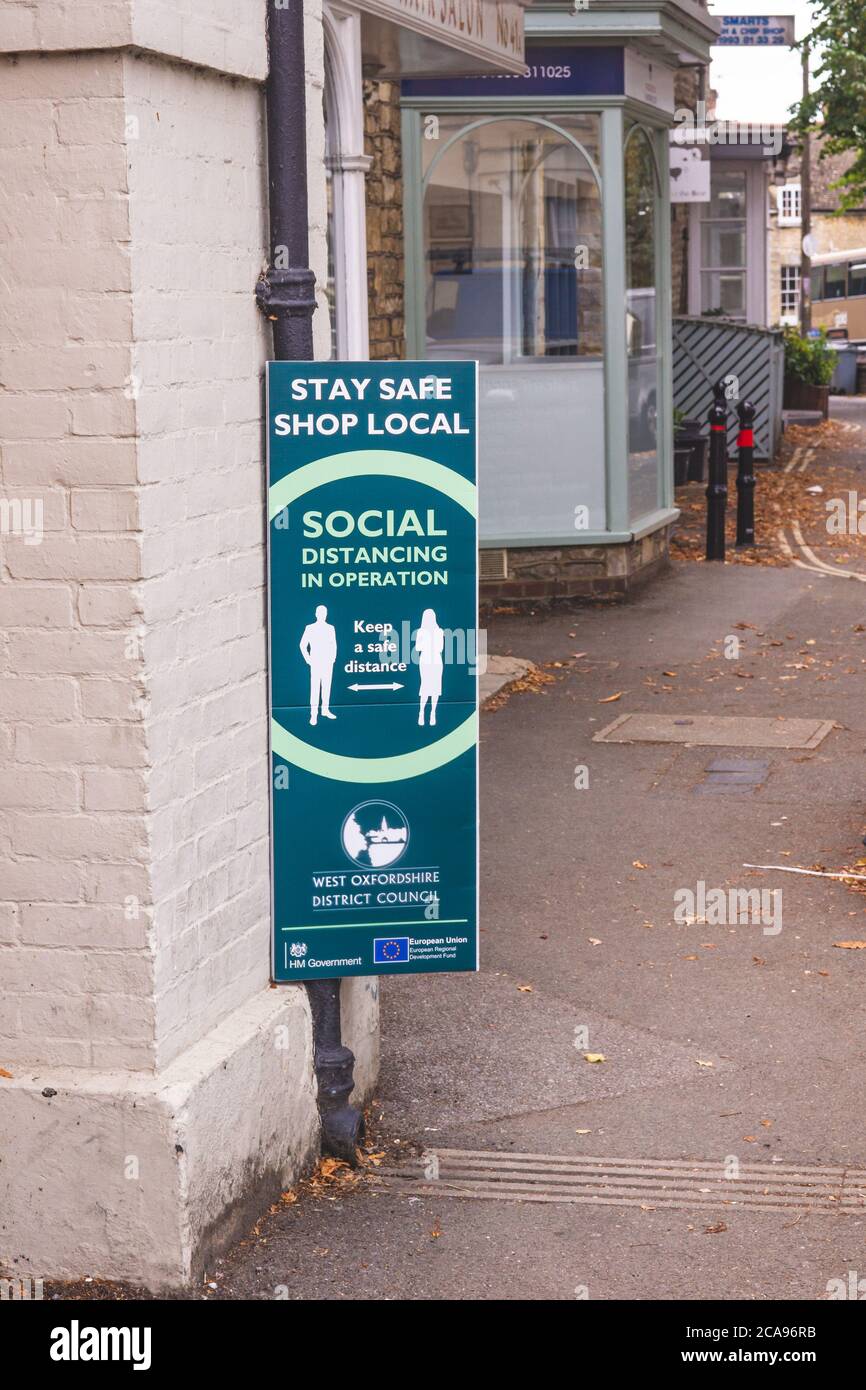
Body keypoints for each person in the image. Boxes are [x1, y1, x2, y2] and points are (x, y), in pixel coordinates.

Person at [299, 605, 337, 726]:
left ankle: (325, 710)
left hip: (328, 662)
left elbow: (334, 644)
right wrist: (308, 659)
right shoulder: (310, 628)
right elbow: (302, 645)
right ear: (316, 614)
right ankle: (313, 714)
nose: (322, 615)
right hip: (316, 662)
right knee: (315, 688)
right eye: (320, 613)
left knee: (327, 686)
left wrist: (333, 658)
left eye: (324, 612)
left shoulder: (331, 628)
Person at [415, 608, 444, 727]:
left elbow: (417, 648)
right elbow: (440, 648)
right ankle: (432, 714)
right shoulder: (439, 631)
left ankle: (421, 713)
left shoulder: (421, 632)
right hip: (436, 660)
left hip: (425, 659)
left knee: (425, 685)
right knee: (435, 687)